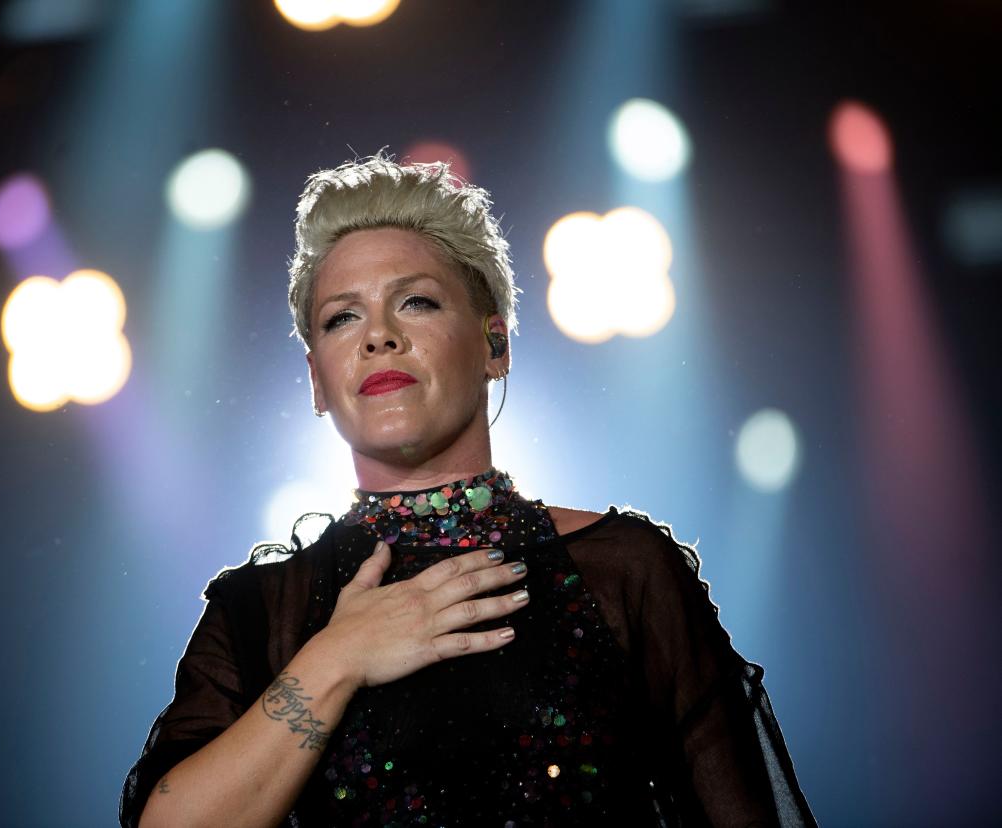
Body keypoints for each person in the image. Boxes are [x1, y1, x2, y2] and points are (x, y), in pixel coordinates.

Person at [119, 154, 818, 827]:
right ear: (316, 380)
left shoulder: (626, 570)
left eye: (415, 302)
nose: (379, 337)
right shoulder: (260, 610)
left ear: (494, 344)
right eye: (342, 317)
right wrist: (337, 658)